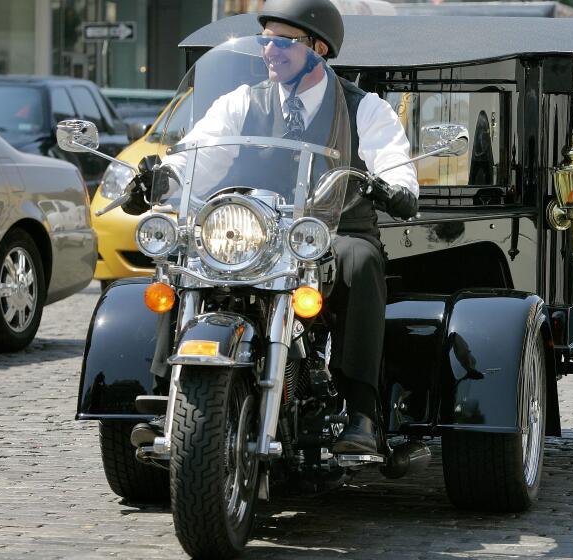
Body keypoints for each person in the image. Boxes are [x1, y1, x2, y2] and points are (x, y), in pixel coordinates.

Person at [124, 0, 419, 456]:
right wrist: (161, 177)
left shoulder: (364, 109)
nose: (270, 51)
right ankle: (169, 395)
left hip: (330, 230)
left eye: (283, 41)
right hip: (253, 231)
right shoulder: (242, 101)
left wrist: (396, 187)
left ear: (318, 48)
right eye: (265, 40)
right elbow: (199, 154)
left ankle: (361, 409)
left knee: (361, 262)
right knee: (186, 253)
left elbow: (395, 164)